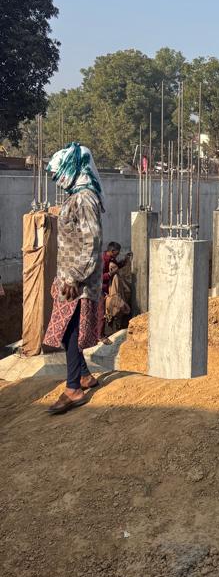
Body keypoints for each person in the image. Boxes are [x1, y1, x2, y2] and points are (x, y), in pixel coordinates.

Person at [43, 143, 104, 414]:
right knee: (67, 331)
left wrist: (76, 278)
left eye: (59, 173)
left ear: (74, 168)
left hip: (78, 282)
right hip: (68, 278)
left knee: (69, 331)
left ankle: (73, 389)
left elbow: (92, 242)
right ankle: (84, 375)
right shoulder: (76, 197)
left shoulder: (86, 198)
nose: (57, 179)